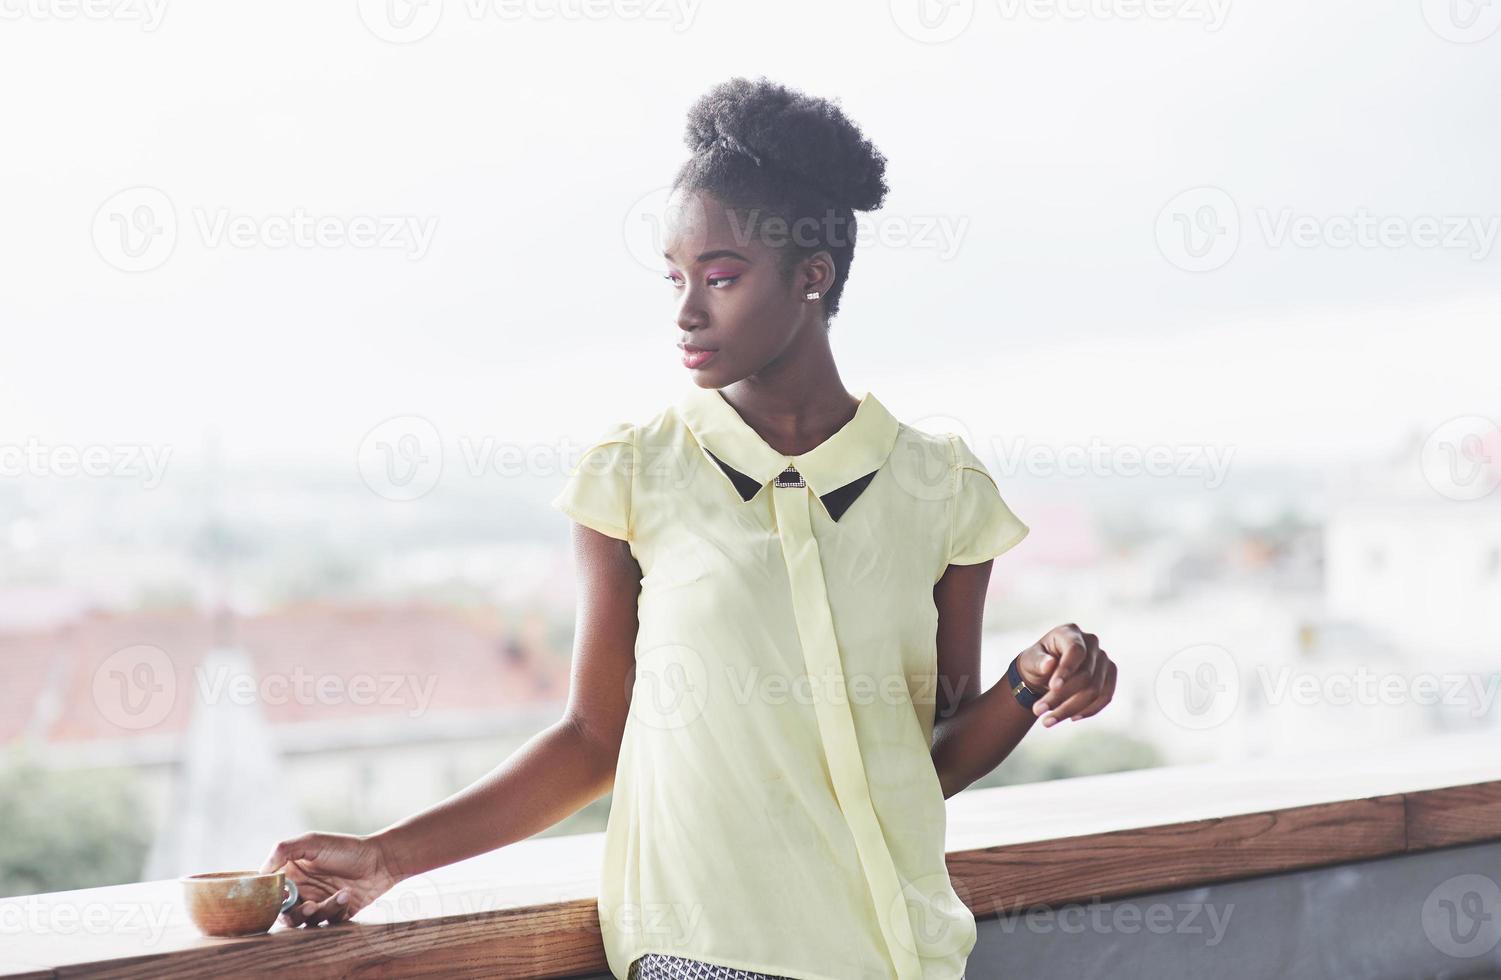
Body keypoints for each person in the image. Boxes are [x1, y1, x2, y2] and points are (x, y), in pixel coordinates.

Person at [260, 75, 1117, 980]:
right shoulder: (635, 473)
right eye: (674, 279)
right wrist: (389, 858)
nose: (685, 312)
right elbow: (593, 738)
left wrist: (1032, 681)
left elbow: (921, 759)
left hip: (898, 955)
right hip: (703, 953)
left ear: (811, 276)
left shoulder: (939, 486)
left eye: (719, 277)